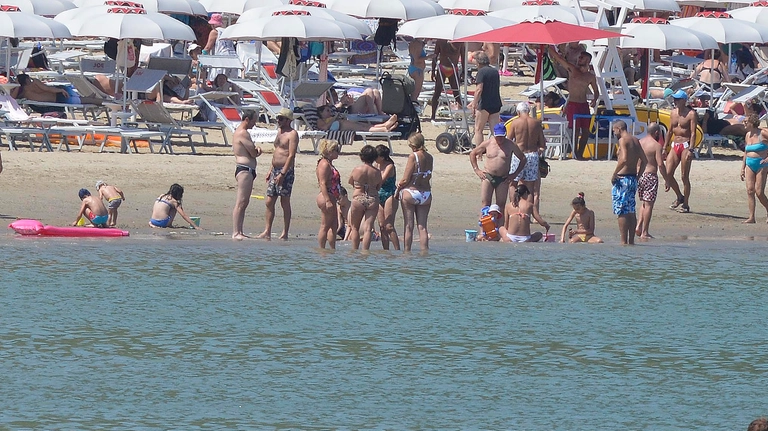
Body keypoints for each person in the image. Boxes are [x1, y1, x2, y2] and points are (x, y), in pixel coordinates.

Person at [548, 46, 600, 160]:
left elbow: (596, 91)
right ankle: (575, 154)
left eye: (582, 58)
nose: (579, 59)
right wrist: (549, 47)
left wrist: (595, 99)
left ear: (587, 60)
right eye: (579, 57)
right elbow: (559, 58)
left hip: (584, 104)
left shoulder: (590, 76)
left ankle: (580, 153)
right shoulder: (572, 69)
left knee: (586, 131)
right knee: (575, 130)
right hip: (573, 103)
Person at [258, 107, 298, 241]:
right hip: (275, 170)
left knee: (284, 202)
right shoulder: (279, 131)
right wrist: (271, 169)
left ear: (288, 120)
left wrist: (282, 173)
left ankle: (285, 232)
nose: (278, 121)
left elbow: (291, 155)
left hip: (285, 172)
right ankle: (267, 230)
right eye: (278, 118)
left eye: (281, 119)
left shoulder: (292, 134)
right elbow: (277, 152)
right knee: (269, 201)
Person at [470, 122, 527, 211]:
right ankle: (484, 224)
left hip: (503, 178)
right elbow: (473, 153)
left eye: (502, 136)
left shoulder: (510, 145)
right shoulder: (488, 143)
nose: (499, 139)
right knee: (485, 203)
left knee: (501, 205)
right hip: (488, 176)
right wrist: (477, 170)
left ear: (505, 135)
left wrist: (514, 174)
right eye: (498, 136)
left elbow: (523, 158)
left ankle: (500, 225)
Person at [506, 101, 546, 220]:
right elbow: (542, 144)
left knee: (513, 183)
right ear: (528, 111)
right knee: (530, 186)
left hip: (518, 155)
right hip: (532, 155)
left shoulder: (515, 122)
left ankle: (514, 209)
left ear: (518, 112)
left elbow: (509, 140)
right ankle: (527, 214)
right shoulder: (536, 123)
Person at [611, 120, 647, 245]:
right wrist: (638, 175)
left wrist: (615, 173)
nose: (614, 133)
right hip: (632, 178)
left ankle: (623, 241)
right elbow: (644, 160)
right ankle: (631, 242)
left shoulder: (623, 140)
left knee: (621, 211)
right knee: (631, 210)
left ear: (619, 129)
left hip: (622, 179)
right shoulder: (636, 140)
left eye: (614, 130)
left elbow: (624, 159)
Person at [398, 133, 433, 252]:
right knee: (422, 227)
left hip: (412, 192)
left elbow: (406, 179)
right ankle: (424, 252)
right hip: (426, 194)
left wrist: (399, 186)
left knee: (409, 225)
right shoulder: (430, 157)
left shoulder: (413, 156)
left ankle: (407, 252)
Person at [232, 110, 262, 240]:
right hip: (244, 169)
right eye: (253, 121)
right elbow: (253, 152)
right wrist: (259, 150)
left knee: (245, 202)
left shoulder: (242, 132)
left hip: (248, 169)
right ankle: (236, 232)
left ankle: (240, 231)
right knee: (241, 202)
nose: (254, 124)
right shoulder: (242, 133)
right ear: (247, 120)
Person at [665, 88, 697, 213]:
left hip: (685, 145)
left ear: (684, 100)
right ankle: (679, 196)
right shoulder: (673, 113)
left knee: (684, 176)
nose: (675, 101)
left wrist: (691, 149)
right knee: (667, 173)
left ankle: (686, 204)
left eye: (677, 99)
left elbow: (693, 133)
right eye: (674, 99)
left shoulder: (691, 114)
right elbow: (669, 130)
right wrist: (664, 147)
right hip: (675, 144)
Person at [635, 123, 669, 239]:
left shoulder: (639, 143)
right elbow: (660, 164)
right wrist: (667, 179)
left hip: (640, 176)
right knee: (649, 205)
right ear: (656, 133)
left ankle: (638, 226)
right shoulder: (656, 146)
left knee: (644, 203)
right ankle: (645, 232)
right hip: (650, 175)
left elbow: (637, 162)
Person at [348, 145, 382, 250]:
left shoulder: (357, 169)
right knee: (368, 229)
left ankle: (354, 250)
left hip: (358, 197)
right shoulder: (377, 172)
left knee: (355, 227)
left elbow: (350, 182)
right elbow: (378, 186)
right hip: (372, 198)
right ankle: (365, 252)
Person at [469, 51, 503, 148]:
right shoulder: (495, 71)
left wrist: (474, 104)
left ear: (478, 61)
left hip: (484, 104)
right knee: (495, 131)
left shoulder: (481, 72)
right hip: (495, 102)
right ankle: (497, 150)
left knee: (478, 129)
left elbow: (479, 90)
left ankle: (479, 153)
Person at [740, 114, 768, 223]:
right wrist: (742, 167)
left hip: (761, 164)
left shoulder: (763, 133)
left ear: (753, 122)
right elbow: (746, 152)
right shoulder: (747, 135)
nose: (744, 123)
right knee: (750, 190)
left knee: (759, 192)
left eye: (746, 121)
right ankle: (751, 217)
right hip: (749, 164)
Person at [316, 139, 342, 249]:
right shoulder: (324, 164)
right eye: (336, 150)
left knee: (333, 225)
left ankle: (332, 250)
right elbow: (322, 183)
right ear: (330, 151)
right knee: (325, 225)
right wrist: (327, 200)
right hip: (326, 196)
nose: (338, 152)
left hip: (331, 196)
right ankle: (321, 249)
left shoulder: (329, 163)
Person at [430, 39, 462, 121]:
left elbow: (435, 56)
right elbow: (435, 56)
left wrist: (433, 70)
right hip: (445, 68)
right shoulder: (441, 41)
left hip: (450, 68)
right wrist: (433, 70)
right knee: (437, 92)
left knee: (456, 93)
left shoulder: (460, 42)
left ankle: (461, 114)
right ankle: (433, 115)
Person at [375, 144, 400, 250]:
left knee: (389, 226)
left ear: (383, 157)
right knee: (382, 226)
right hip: (378, 194)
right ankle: (386, 252)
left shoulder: (390, 166)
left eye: (377, 156)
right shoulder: (376, 165)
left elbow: (381, 180)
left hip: (389, 194)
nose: (375, 158)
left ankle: (397, 250)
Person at [316, 104, 399, 132]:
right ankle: (384, 129)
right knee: (363, 128)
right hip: (341, 125)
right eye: (327, 111)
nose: (330, 112)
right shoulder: (320, 120)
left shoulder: (330, 117)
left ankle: (385, 125)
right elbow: (324, 127)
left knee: (365, 125)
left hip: (342, 123)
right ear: (320, 112)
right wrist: (335, 118)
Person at [204, 13, 237, 78]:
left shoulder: (214, 32)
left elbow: (208, 47)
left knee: (218, 78)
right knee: (230, 80)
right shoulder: (227, 31)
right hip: (233, 57)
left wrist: (202, 56)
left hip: (222, 57)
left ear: (213, 24)